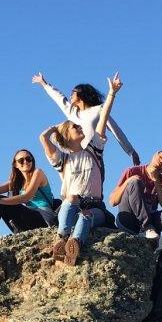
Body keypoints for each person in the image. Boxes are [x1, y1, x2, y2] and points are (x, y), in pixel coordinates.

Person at [39, 73, 123, 266]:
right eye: (74, 127)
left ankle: (73, 245)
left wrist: (112, 93)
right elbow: (43, 138)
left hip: (95, 207)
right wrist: (57, 127)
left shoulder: (94, 149)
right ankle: (62, 238)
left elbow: (102, 118)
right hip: (69, 207)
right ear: (66, 135)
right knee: (71, 198)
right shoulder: (63, 160)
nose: (79, 126)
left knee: (85, 216)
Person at [32, 73, 141, 168]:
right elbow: (58, 97)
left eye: (73, 92)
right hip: (75, 160)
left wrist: (131, 151)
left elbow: (116, 130)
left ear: (81, 95)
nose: (70, 95)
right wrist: (44, 83)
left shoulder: (98, 110)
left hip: (94, 159)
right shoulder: (71, 111)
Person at [109, 147, 162, 277]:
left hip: (150, 221)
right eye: (161, 156)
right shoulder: (133, 171)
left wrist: (156, 180)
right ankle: (146, 227)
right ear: (155, 154)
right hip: (128, 219)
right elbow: (113, 201)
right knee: (135, 181)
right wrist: (128, 181)